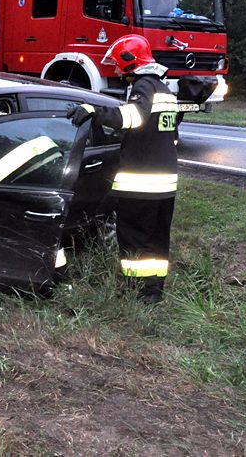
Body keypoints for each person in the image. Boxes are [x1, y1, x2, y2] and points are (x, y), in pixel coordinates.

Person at [67, 34, 179, 303]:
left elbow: (132, 117)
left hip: (140, 186)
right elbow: (169, 135)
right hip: (166, 185)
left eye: (118, 64)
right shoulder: (164, 90)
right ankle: (153, 293)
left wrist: (94, 111)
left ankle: (132, 292)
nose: (116, 70)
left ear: (130, 62)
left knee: (133, 240)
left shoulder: (143, 88)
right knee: (156, 241)